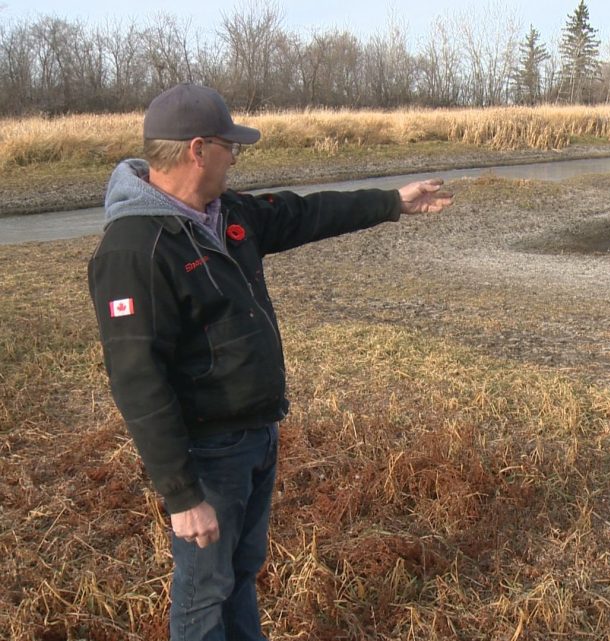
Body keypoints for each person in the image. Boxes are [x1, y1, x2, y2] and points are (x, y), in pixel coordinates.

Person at [87, 83, 453, 641]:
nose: (237, 156)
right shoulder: (134, 249)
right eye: (231, 146)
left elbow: (305, 213)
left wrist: (392, 202)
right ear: (198, 149)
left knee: (240, 574)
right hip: (207, 454)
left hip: (257, 435)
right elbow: (137, 381)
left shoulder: (225, 213)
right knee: (202, 592)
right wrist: (183, 495)